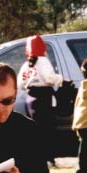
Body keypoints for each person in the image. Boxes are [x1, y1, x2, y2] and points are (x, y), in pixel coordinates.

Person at [17, 35, 63, 165]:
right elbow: (49, 78)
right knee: (47, 129)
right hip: (44, 98)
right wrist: (59, 78)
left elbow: (20, 84)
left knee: (34, 129)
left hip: (30, 98)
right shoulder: (43, 61)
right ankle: (48, 158)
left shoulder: (26, 65)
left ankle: (37, 157)